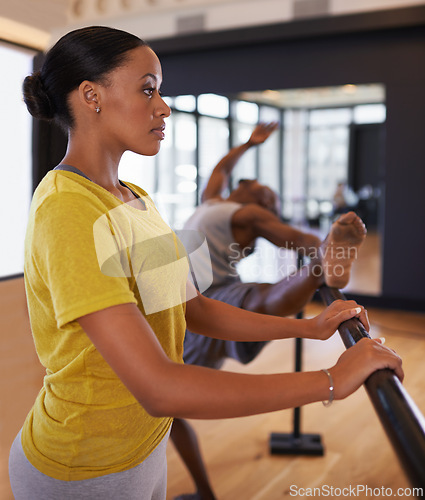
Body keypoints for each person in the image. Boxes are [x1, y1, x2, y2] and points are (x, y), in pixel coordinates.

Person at [9, 26, 403, 500]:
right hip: (83, 467)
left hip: (143, 447)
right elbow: (159, 387)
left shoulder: (134, 199)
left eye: (161, 91)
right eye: (148, 89)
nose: (163, 107)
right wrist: (330, 380)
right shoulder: (67, 209)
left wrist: (309, 328)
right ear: (91, 95)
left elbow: (195, 309)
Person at [170, 124, 369, 499]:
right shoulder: (215, 199)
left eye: (267, 195)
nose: (259, 185)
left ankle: (322, 262)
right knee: (166, 411)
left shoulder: (247, 213)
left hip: (208, 297)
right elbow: (220, 171)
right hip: (182, 303)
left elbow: (287, 234)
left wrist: (320, 243)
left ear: (261, 206)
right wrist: (248, 143)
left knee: (259, 300)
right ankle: (203, 492)